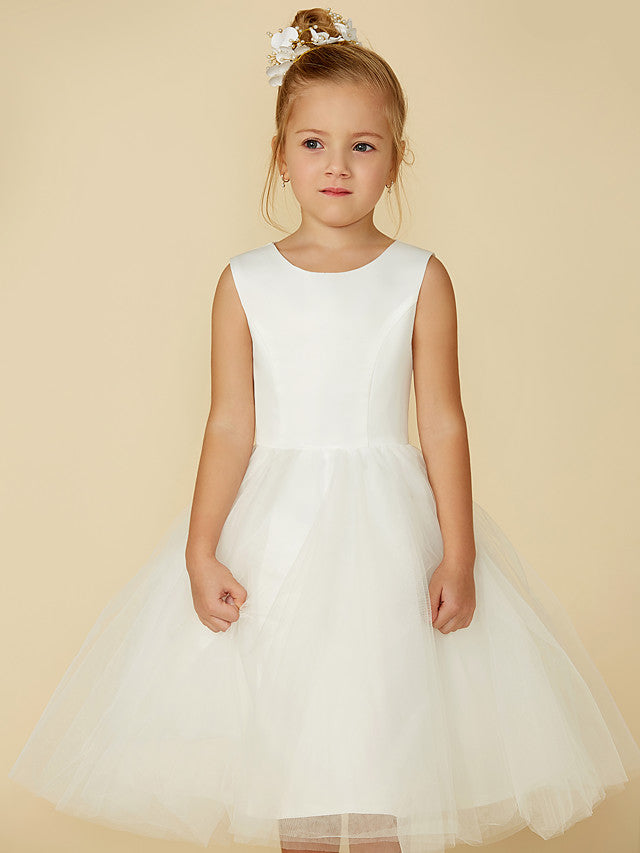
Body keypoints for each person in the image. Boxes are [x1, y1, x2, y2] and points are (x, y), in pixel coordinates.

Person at [8, 7, 640, 853]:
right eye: (313, 143)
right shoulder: (245, 282)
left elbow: (442, 422)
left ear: (396, 158)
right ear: (281, 155)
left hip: (389, 545)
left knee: (384, 747)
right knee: (292, 756)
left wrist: (458, 554)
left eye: (363, 145)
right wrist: (200, 549)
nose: (337, 165)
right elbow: (230, 424)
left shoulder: (419, 277)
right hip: (276, 542)